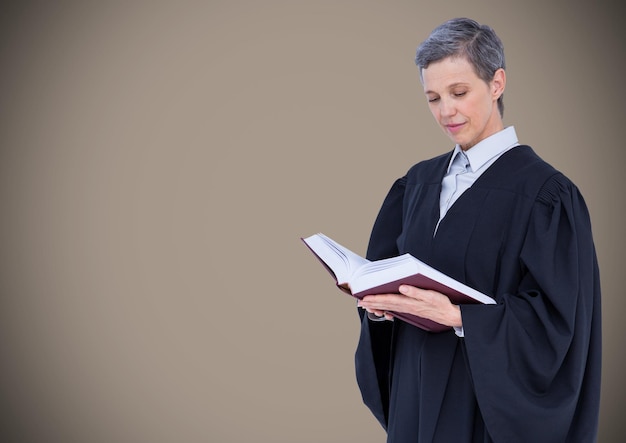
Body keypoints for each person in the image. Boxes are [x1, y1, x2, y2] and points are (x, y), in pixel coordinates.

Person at [354, 17, 601, 442]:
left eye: (459, 93)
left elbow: (559, 322)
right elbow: (384, 269)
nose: (445, 111)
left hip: (482, 410)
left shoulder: (546, 195)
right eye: (432, 97)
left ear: (497, 83)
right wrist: (378, 306)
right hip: (413, 400)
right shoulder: (416, 183)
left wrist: (457, 316)